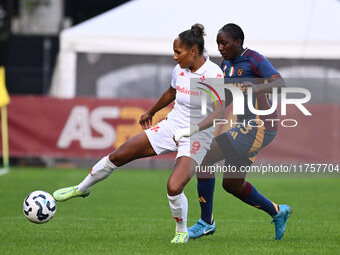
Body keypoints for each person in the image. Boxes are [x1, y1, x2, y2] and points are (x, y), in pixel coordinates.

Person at [53, 24, 225, 244]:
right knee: (118, 155)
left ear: (193, 51)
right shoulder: (180, 69)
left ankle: (181, 230)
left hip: (197, 135)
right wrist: (150, 111)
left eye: (178, 52)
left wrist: (191, 130)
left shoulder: (213, 73)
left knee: (174, 187)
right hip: (172, 125)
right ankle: (81, 188)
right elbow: (172, 92)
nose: (174, 57)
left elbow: (219, 111)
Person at [187, 23, 291, 240]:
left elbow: (280, 83)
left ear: (238, 42)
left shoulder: (254, 59)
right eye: (217, 43)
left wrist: (257, 87)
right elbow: (228, 98)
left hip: (259, 127)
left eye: (224, 43)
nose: (220, 47)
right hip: (243, 127)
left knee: (203, 157)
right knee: (232, 184)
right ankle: (278, 211)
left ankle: (206, 222)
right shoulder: (225, 65)